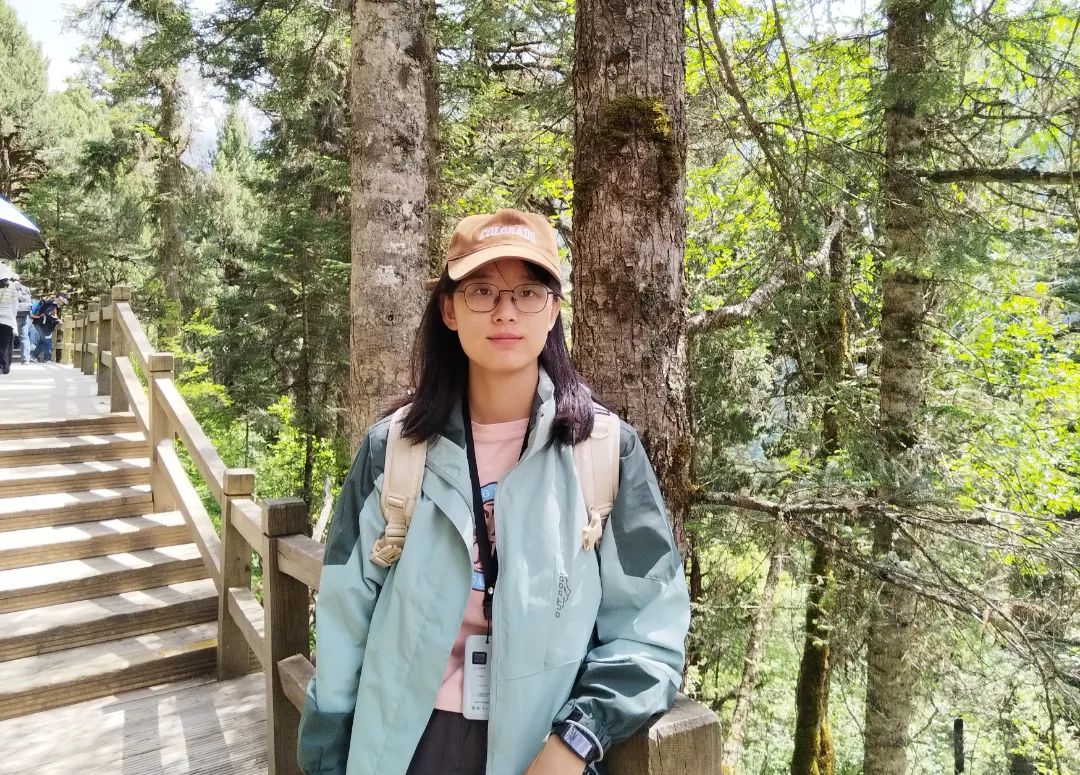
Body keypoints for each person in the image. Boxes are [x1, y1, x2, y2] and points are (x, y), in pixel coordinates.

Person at [297, 209, 690, 775]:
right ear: (449, 310)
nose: (505, 311)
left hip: (539, 748)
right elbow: (344, 612)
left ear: (553, 310)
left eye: (528, 293)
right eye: (481, 291)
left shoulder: (602, 451)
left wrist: (577, 740)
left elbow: (650, 627)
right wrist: (325, 753)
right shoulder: (394, 449)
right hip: (403, 745)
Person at [29, 292, 68, 362]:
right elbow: (48, 313)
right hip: (43, 324)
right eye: (62, 301)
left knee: (42, 341)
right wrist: (57, 320)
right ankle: (47, 359)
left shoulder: (50, 303)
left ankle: (33, 356)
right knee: (48, 341)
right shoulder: (53, 304)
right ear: (58, 298)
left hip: (39, 323)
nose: (62, 303)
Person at [0, 270, 18, 375]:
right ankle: (5, 367)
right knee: (7, 344)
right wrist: (13, 317)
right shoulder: (11, 285)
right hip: (7, 318)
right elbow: (15, 304)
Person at [13, 274, 32, 365]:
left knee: (8, 336)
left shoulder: (9, 287)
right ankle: (25, 359)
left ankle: (6, 358)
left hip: (12, 314)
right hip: (23, 314)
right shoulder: (25, 288)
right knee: (24, 337)